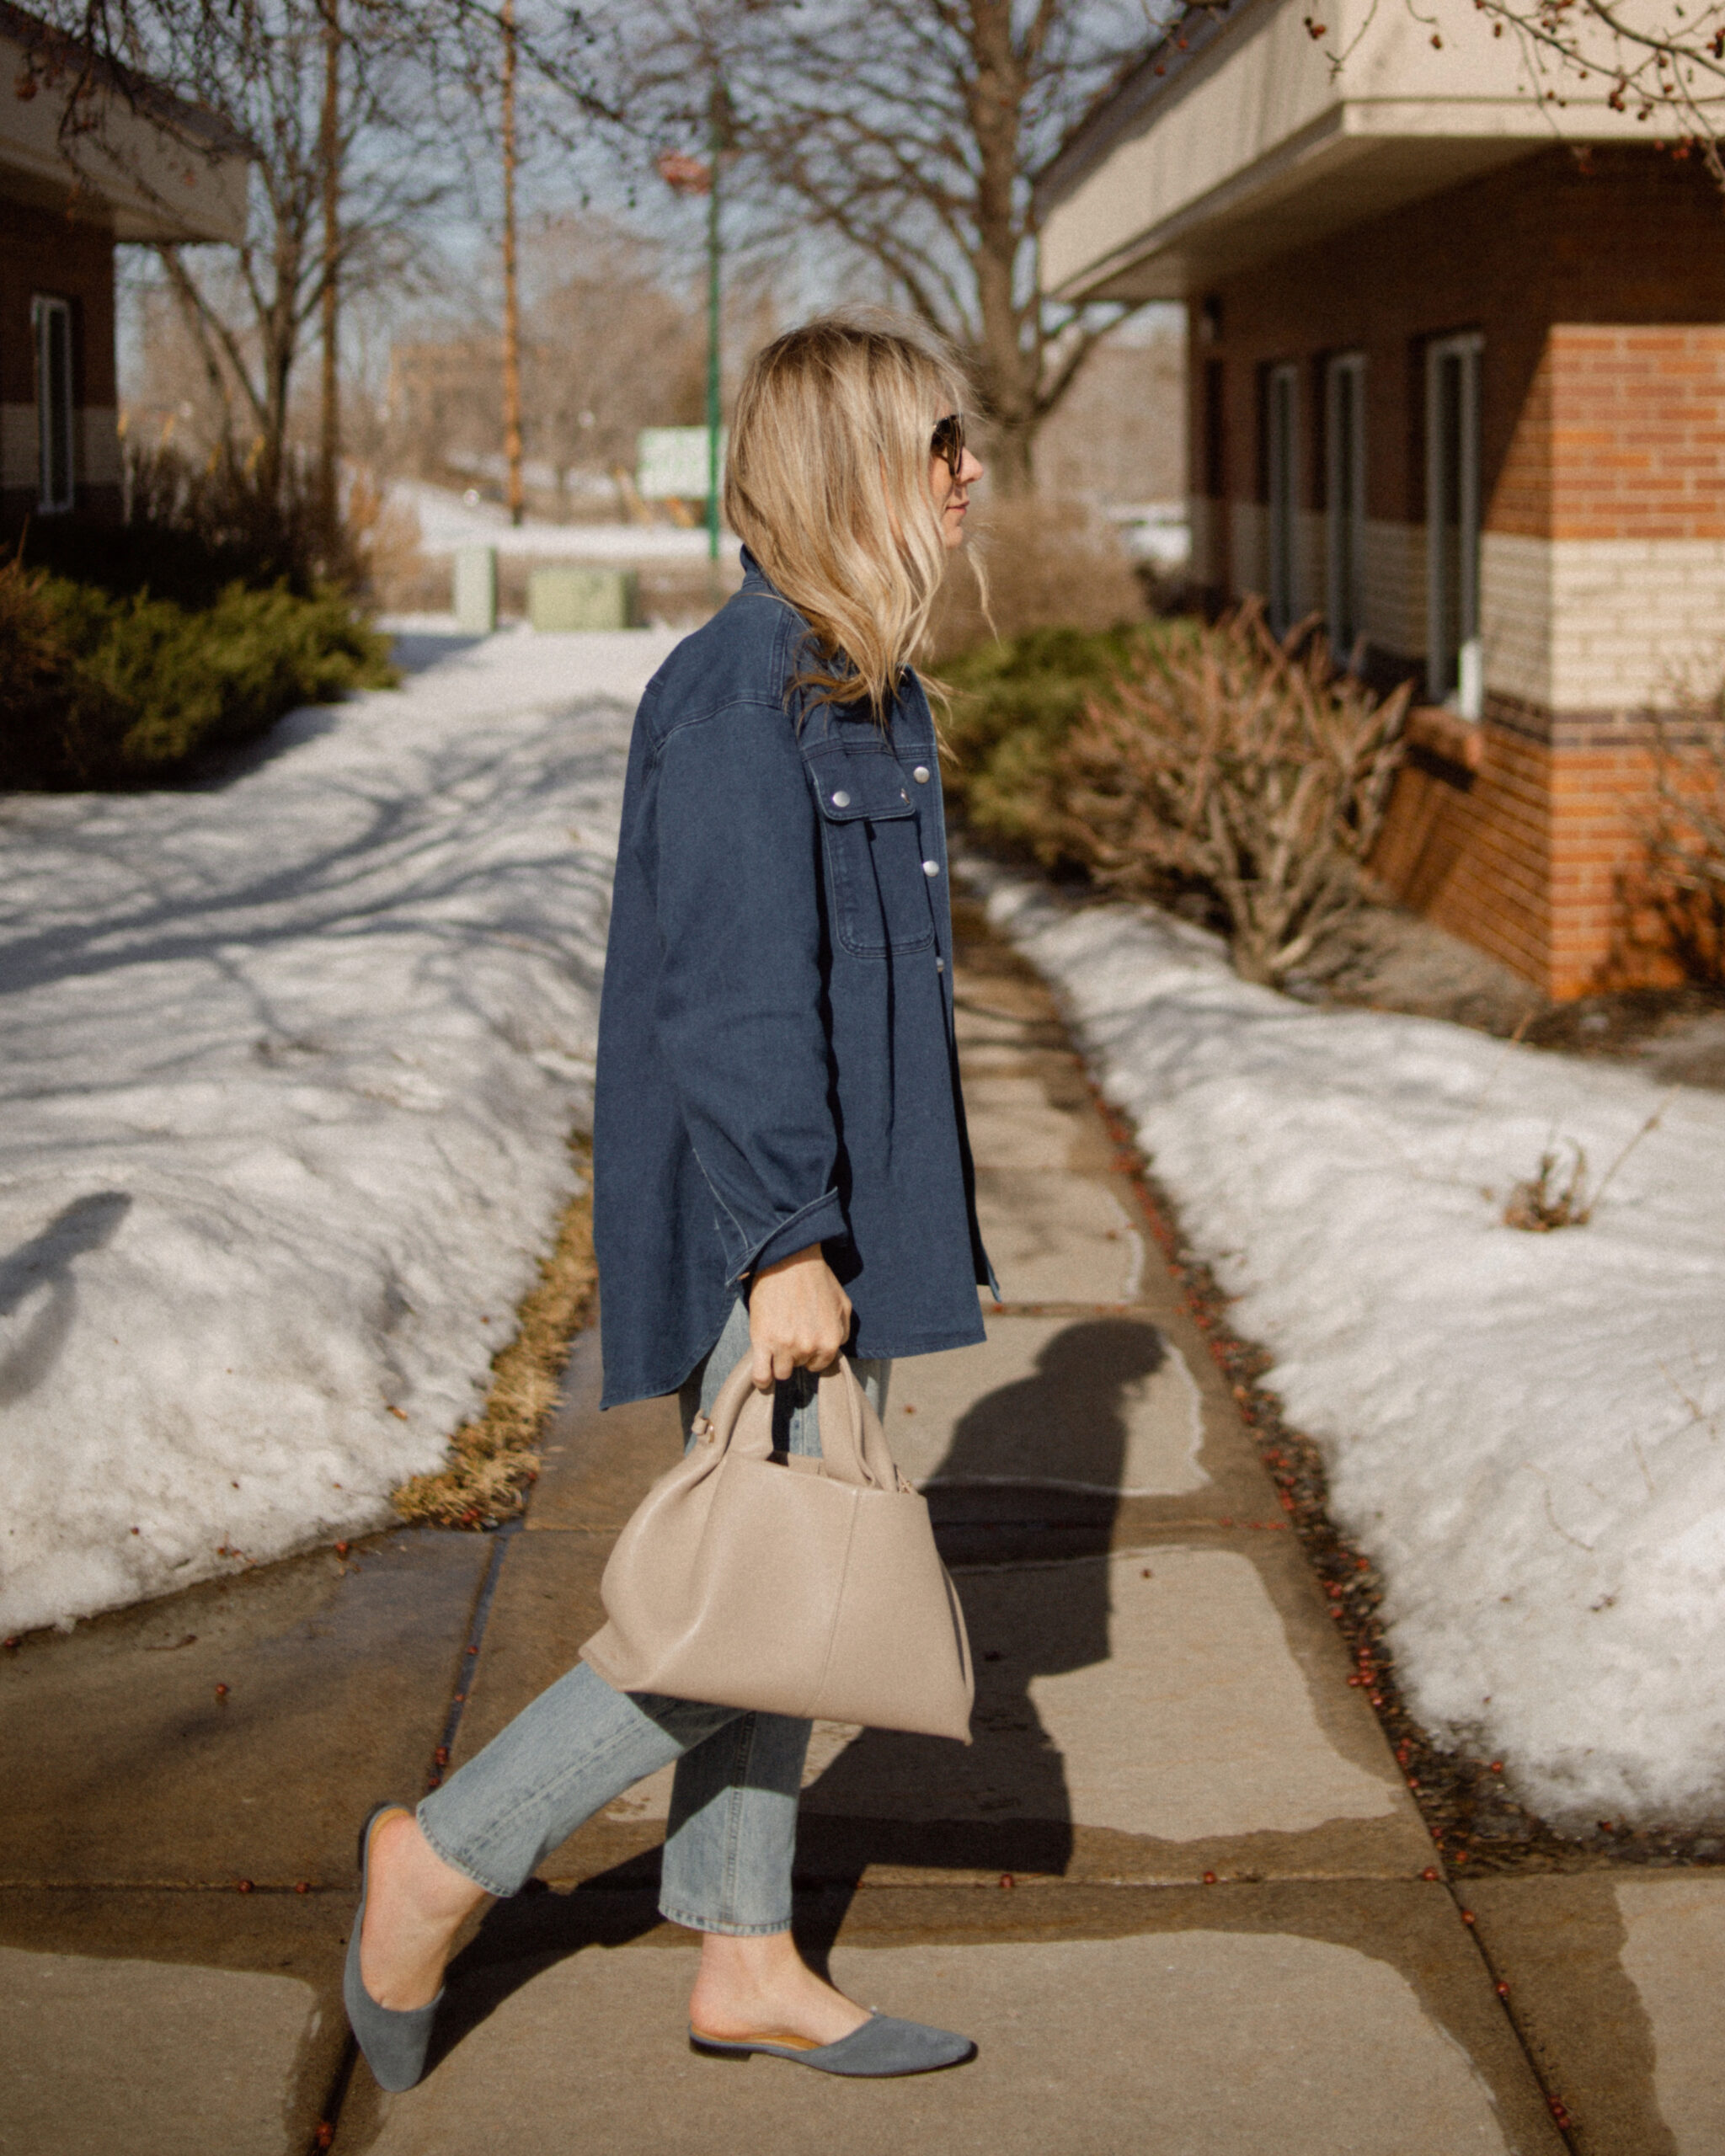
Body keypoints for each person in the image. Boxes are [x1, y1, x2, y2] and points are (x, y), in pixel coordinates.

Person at [344, 312, 994, 2093]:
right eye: (940, 442)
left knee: (773, 1583)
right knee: (730, 1604)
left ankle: (747, 1951)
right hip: (768, 1218)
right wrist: (784, 1239)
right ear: (860, 466)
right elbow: (730, 997)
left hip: (833, 1203)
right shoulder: (744, 692)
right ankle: (447, 1854)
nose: (968, 471)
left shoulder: (858, 682)